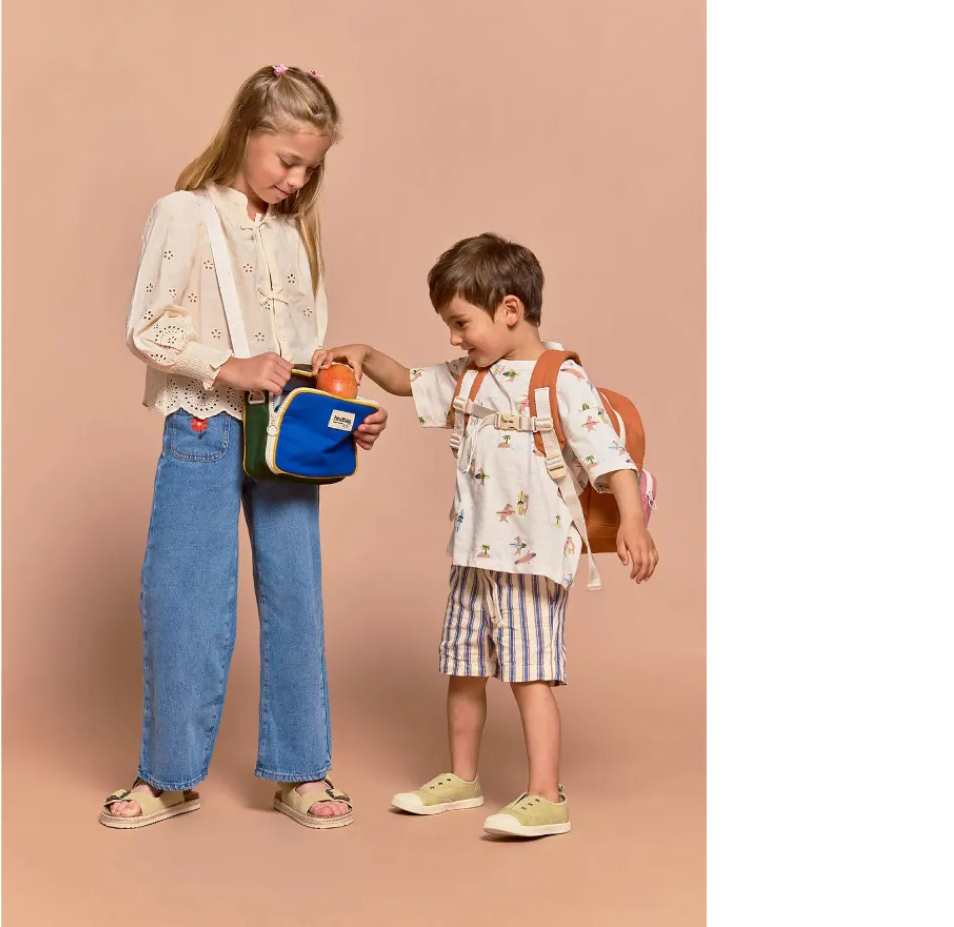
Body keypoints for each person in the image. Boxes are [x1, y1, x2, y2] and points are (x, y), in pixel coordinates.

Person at [100, 65, 387, 831]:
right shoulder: (185, 213)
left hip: (287, 434)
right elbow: (148, 327)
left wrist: (342, 415)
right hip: (205, 422)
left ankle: (301, 770)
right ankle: (167, 777)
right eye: (287, 161)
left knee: (296, 597)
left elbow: (305, 354)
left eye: (310, 168)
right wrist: (229, 367)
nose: (296, 180)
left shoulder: (296, 235)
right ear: (246, 133)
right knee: (187, 597)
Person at [313, 232, 657, 838]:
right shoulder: (471, 375)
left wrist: (632, 520)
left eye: (460, 323)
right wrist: (364, 352)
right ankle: (462, 777)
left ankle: (546, 795)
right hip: (472, 553)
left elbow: (610, 458)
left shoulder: (560, 380)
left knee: (529, 674)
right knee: (465, 666)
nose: (454, 338)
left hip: (533, 557)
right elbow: (406, 380)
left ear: (510, 309)